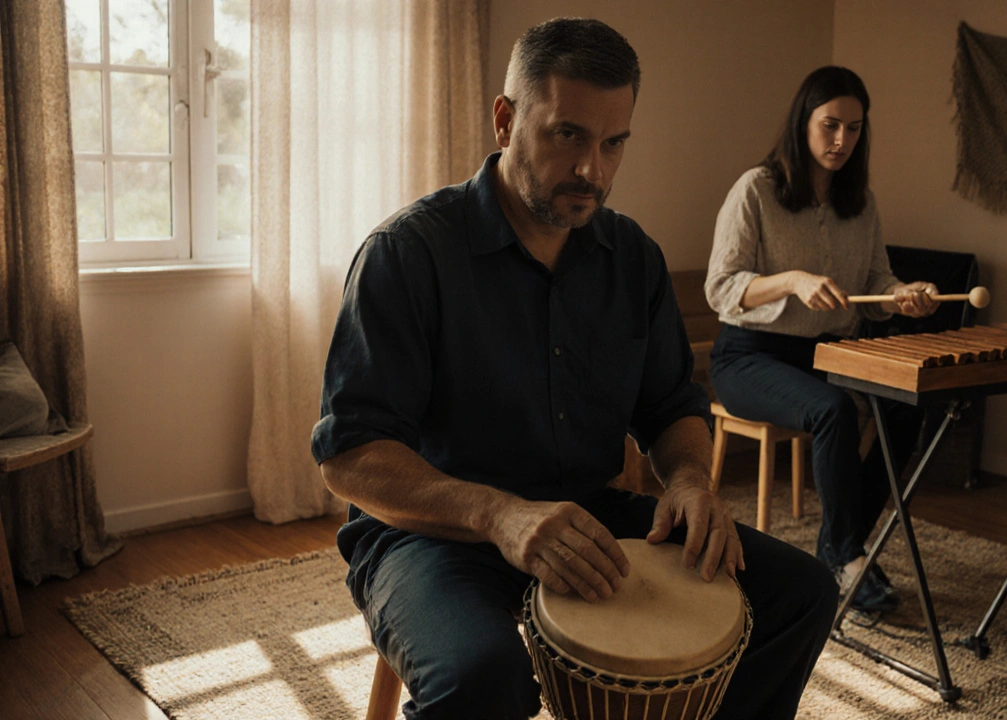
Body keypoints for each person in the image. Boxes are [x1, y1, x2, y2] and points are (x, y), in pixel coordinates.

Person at [312, 18, 837, 720]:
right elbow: (347, 457)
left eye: (614, 142)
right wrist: (498, 513)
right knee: (483, 679)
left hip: (590, 515)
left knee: (801, 592)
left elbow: (671, 405)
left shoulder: (633, 260)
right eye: (568, 135)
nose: (594, 168)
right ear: (506, 120)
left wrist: (687, 479)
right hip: (431, 534)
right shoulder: (407, 255)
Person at [704, 65, 939, 616]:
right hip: (748, 355)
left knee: (906, 409)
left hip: (827, 356)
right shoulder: (756, 189)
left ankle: (840, 543)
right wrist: (793, 280)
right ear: (802, 122)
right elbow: (721, 287)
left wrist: (905, 293)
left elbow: (876, 284)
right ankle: (849, 555)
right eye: (830, 125)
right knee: (833, 409)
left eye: (854, 129)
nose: (841, 141)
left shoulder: (862, 202)